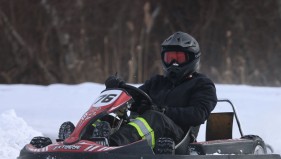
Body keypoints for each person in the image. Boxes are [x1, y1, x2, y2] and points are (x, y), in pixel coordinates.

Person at [60, 32, 217, 149]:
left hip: (178, 137)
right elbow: (133, 98)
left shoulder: (202, 85)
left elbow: (198, 114)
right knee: (114, 113)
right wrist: (118, 88)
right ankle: (80, 140)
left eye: (179, 58)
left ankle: (113, 144)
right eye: (170, 58)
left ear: (192, 59)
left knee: (154, 117)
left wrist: (163, 111)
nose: (174, 63)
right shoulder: (157, 82)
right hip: (146, 132)